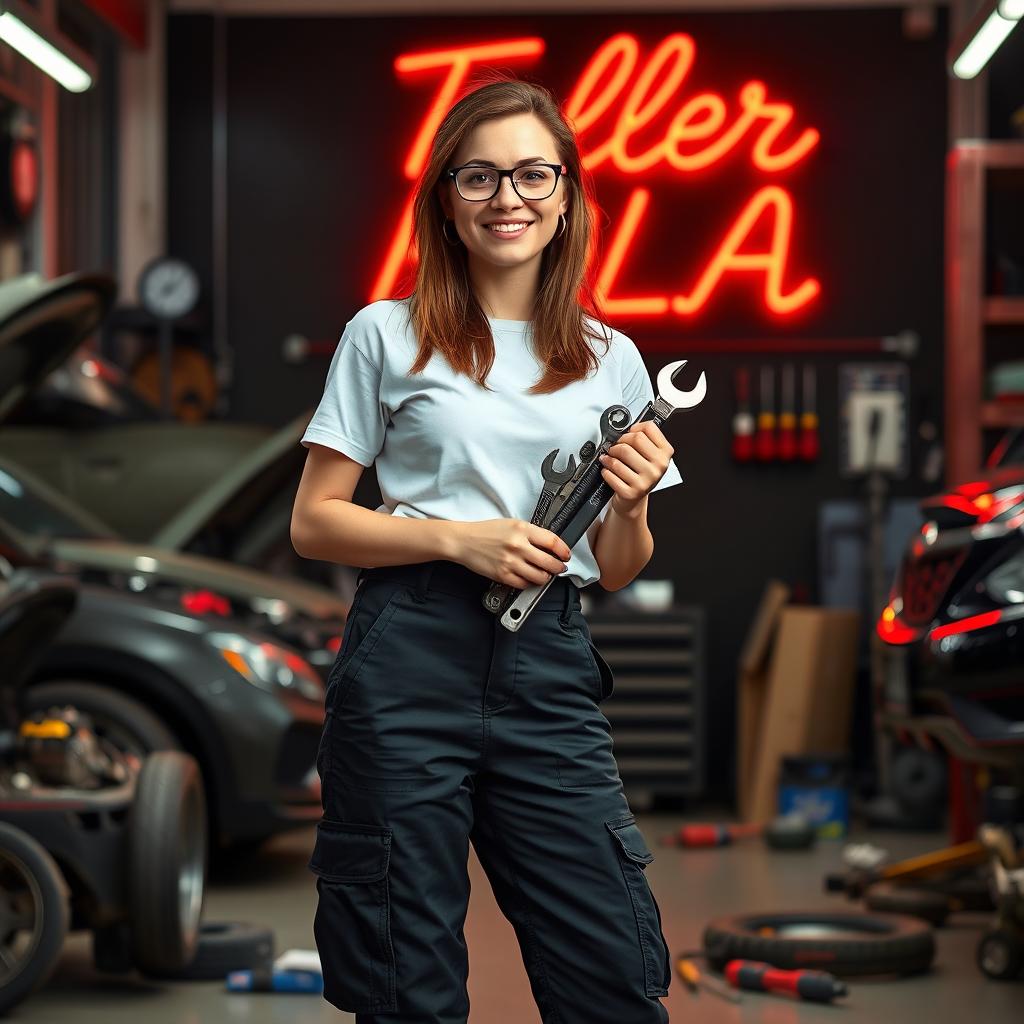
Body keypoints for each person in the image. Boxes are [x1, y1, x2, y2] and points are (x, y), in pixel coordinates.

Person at [291, 77, 683, 1024]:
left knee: (613, 977)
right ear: (445, 201)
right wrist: (460, 538)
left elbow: (622, 563)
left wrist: (627, 504)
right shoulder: (385, 334)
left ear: (566, 199)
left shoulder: (610, 357)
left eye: (532, 174)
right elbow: (317, 522)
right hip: (407, 656)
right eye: (480, 176)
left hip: (548, 663)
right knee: (403, 978)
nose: (508, 197)